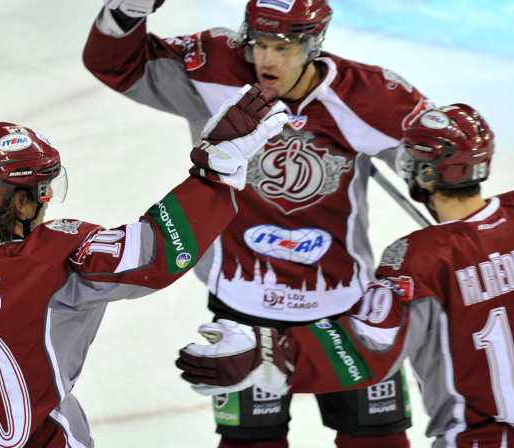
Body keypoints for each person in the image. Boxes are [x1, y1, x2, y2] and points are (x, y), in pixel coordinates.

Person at [0, 84, 286, 448]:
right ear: (20, 202)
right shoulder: (55, 258)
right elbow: (154, 253)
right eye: (43, 189)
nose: (48, 198)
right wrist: (213, 173)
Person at [83, 1, 435, 446]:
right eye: (260, 44)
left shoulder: (369, 95)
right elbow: (117, 65)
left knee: (378, 441)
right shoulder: (214, 66)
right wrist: (125, 10)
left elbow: (439, 161)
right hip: (242, 307)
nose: (267, 60)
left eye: (283, 48)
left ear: (314, 44)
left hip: (346, 308)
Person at [176, 103, 514, 447]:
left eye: (411, 159)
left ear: (427, 174)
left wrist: (264, 352)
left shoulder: (420, 259)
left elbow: (365, 346)